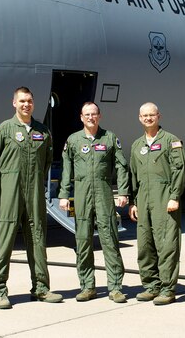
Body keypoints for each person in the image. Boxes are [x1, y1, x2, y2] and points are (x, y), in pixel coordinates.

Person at [0, 87, 62, 309]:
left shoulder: (43, 132)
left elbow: (47, 161)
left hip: (34, 192)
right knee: (4, 239)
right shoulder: (3, 130)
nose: (26, 104)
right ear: (14, 103)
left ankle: (41, 288)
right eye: (22, 101)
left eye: (29, 101)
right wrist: (3, 185)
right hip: (9, 192)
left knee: (37, 238)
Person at [57, 102, 130, 303]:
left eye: (94, 114)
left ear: (100, 116)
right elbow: (67, 169)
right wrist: (64, 194)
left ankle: (115, 287)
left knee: (110, 240)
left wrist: (123, 191)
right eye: (87, 114)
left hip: (104, 193)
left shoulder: (110, 138)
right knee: (83, 241)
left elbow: (121, 165)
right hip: (81, 195)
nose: (91, 117)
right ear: (81, 117)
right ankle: (87, 286)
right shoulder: (73, 140)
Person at [128, 102, 185, 306]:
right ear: (139, 118)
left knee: (167, 244)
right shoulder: (137, 145)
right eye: (144, 116)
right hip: (143, 199)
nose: (148, 118)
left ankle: (167, 288)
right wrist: (134, 202)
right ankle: (151, 285)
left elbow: (180, 170)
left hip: (164, 198)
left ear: (158, 116)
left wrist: (175, 196)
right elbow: (133, 175)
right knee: (145, 244)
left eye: (151, 115)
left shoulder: (171, 141)